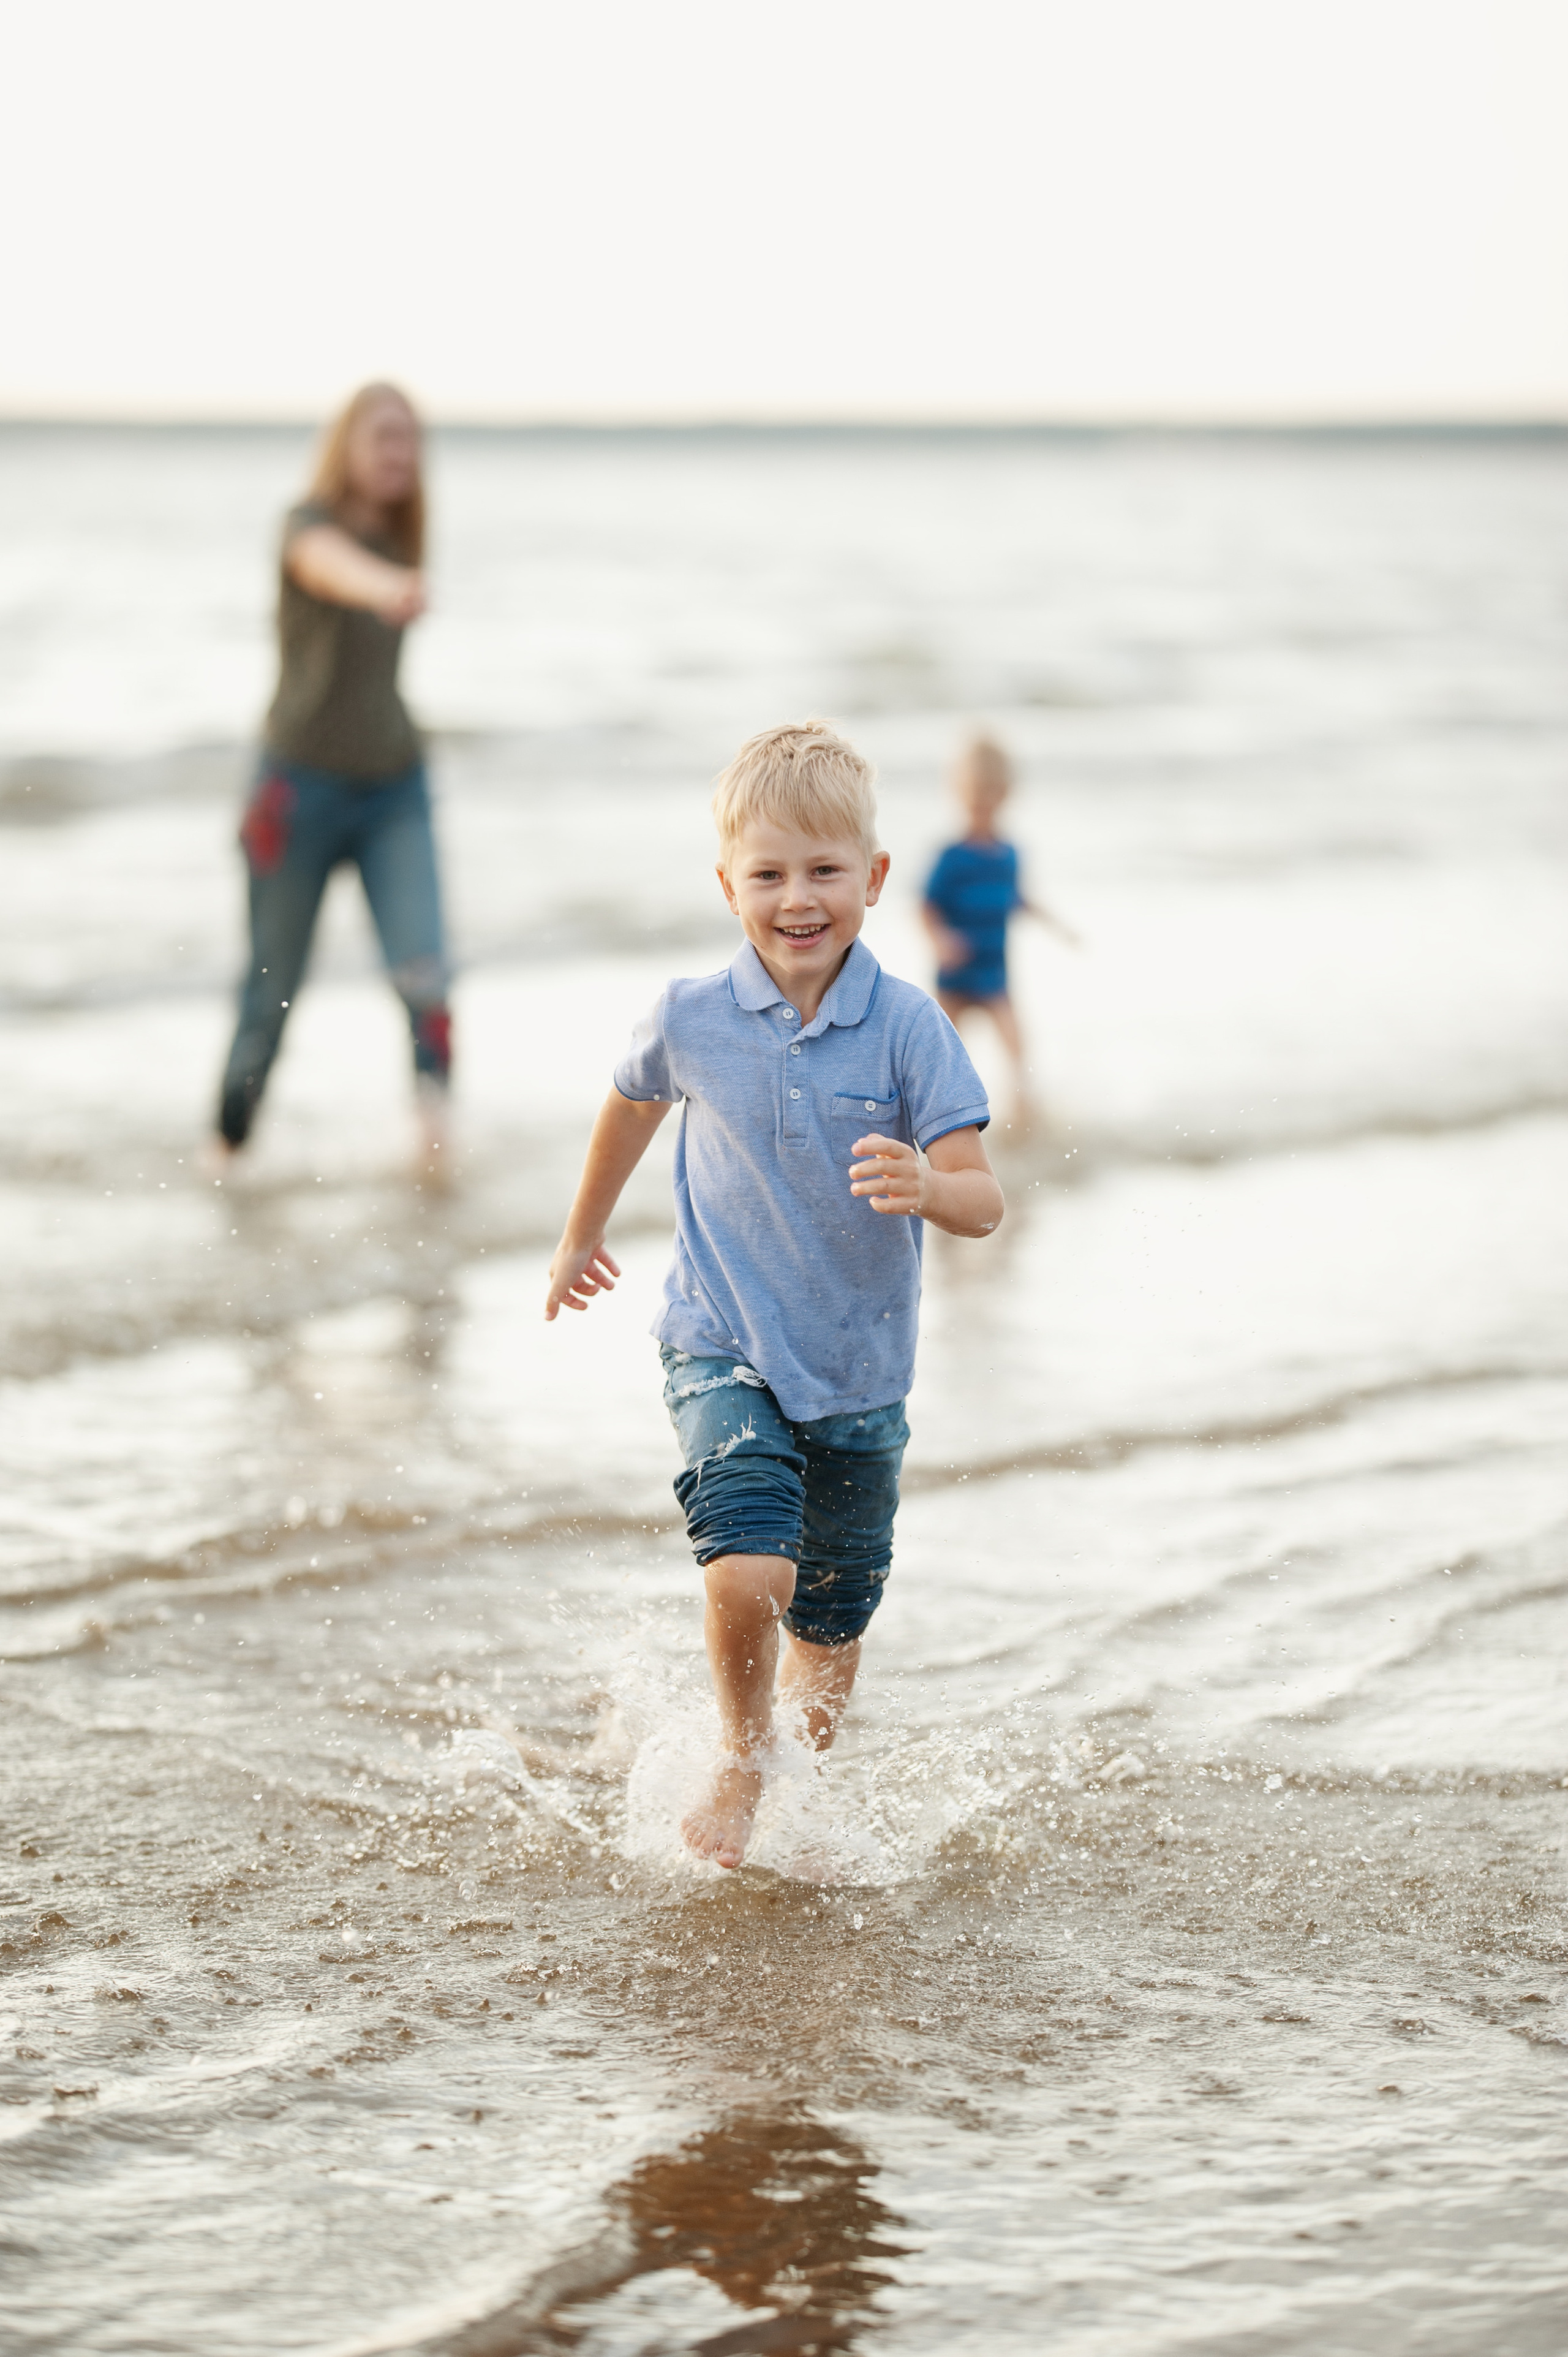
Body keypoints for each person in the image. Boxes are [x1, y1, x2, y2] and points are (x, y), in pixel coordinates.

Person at [545, 721, 1004, 1869]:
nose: (798, 899)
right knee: (751, 1563)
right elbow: (630, 1103)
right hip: (721, 1339)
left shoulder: (910, 1028)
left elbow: (986, 1198)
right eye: (769, 874)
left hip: (859, 1376)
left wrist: (930, 1185)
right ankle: (740, 1757)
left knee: (831, 1634)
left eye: (824, 871)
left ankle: (784, 1787)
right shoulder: (693, 1014)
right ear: (728, 885)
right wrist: (581, 1233)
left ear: (875, 878)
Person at [209, 382, 452, 1176]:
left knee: (426, 974)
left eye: (409, 439)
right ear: (345, 444)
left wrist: (397, 577)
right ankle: (228, 1150)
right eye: (383, 436)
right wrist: (385, 588)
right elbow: (328, 566)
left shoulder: (409, 532)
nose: (398, 453)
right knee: (270, 993)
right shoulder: (305, 527)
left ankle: (436, 1158)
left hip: (394, 788)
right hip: (296, 792)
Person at [921, 735, 1078, 1119]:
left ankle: (1025, 1116)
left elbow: (1018, 898)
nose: (981, 804)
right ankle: (929, 1111)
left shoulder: (1009, 855)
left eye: (990, 794)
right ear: (958, 793)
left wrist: (1058, 928)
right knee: (938, 1051)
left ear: (1006, 795)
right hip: (956, 976)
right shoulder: (951, 857)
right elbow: (926, 907)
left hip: (994, 975)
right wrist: (941, 941)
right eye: (973, 794)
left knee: (1018, 1049)